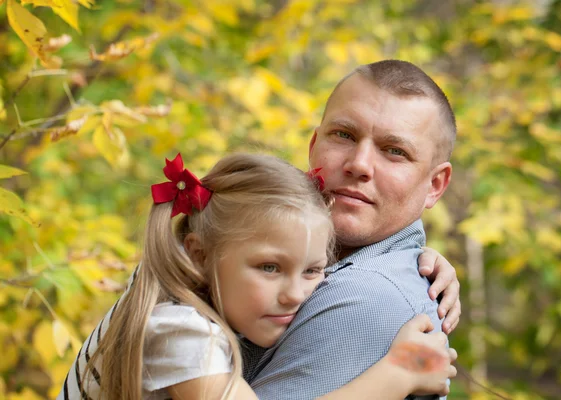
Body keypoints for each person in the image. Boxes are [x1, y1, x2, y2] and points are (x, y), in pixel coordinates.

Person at [58, 153, 457, 400]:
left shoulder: (172, 279)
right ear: (199, 254)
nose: (295, 295)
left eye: (313, 269)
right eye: (270, 268)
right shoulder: (178, 331)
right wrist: (399, 373)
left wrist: (409, 259)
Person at [242, 60, 458, 400]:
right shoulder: (254, 238)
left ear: (434, 185)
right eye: (344, 135)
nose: (358, 164)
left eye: (394, 151)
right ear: (313, 147)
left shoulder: (367, 297)